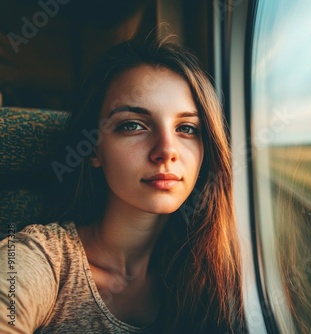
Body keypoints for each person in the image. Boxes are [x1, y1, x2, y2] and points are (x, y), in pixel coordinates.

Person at [0, 37, 245, 333]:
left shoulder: (214, 271)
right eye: (132, 125)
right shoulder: (37, 257)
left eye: (187, 128)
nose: (167, 150)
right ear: (92, 149)